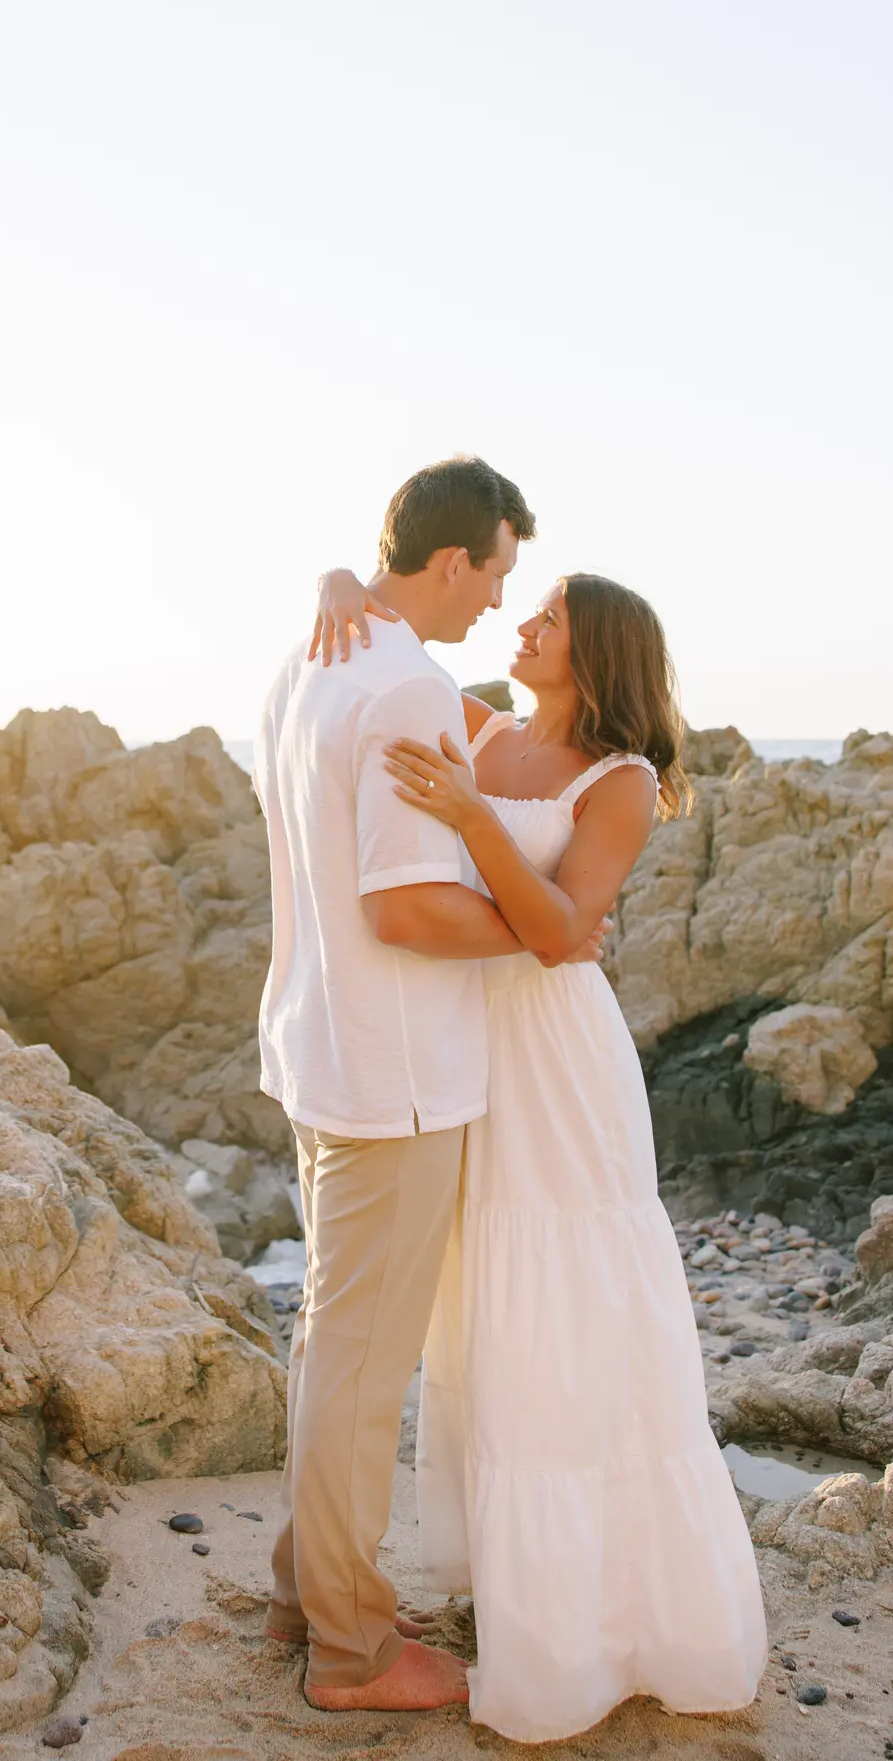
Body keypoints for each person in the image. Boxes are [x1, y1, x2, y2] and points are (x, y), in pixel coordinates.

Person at [308, 563, 768, 1743]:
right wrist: (338, 578)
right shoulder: (485, 724)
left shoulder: (621, 781)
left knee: (572, 1303)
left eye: (548, 615)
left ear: (595, 649)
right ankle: (519, 1588)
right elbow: (393, 642)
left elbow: (565, 934)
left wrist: (469, 821)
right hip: (471, 1049)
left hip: (559, 1062)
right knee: (493, 1310)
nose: (522, 623)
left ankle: (602, 1610)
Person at [254, 454, 602, 1713]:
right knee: (359, 1367)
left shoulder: (308, 658)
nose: (493, 601)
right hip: (391, 1074)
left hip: (319, 1047)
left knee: (329, 1343)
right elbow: (402, 903)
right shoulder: (405, 683)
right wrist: (540, 929)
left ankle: (311, 1581)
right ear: (452, 558)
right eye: (495, 571)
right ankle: (348, 1650)